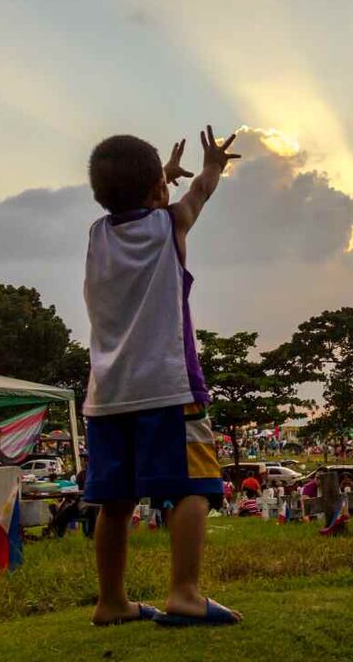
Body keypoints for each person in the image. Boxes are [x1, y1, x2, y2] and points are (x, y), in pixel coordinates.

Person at [81, 127, 243, 628]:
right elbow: (200, 194)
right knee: (194, 486)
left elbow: (136, 202)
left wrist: (159, 178)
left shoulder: (96, 234)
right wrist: (213, 164)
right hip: (168, 386)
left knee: (114, 500)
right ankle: (185, 593)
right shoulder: (167, 224)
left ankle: (111, 601)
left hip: (107, 395)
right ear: (157, 191)